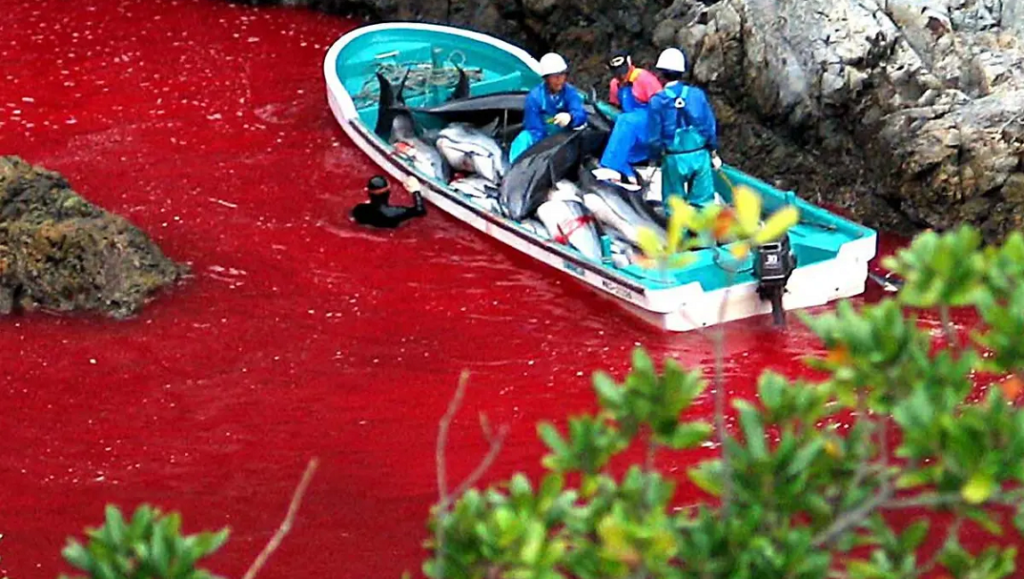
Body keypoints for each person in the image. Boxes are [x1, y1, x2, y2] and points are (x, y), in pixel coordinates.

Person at [647, 47, 723, 209]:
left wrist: (653, 161)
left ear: (660, 74)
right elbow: (709, 126)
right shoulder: (697, 95)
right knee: (704, 204)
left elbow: (654, 137)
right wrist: (714, 153)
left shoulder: (657, 101)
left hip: (674, 159)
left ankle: (679, 233)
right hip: (700, 156)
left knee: (675, 205)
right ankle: (703, 233)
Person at [509, 52, 588, 163]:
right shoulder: (535, 97)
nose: (560, 80)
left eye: (562, 75)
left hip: (564, 137)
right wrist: (545, 148)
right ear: (546, 78)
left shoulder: (570, 92)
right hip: (542, 137)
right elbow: (534, 128)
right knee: (523, 139)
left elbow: (581, 115)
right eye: (555, 77)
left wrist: (571, 117)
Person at [598, 50, 662, 180]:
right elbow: (615, 108)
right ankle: (630, 178)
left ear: (629, 61)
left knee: (625, 120)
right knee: (620, 152)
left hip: (650, 127)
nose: (622, 75)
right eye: (617, 72)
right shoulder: (615, 85)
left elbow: (662, 108)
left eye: (623, 70)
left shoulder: (645, 79)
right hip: (632, 134)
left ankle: (608, 169)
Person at [350, 175, 426, 228]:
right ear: (388, 192)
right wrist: (416, 191)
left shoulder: (359, 210)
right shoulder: (397, 212)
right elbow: (420, 211)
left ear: (368, 192)